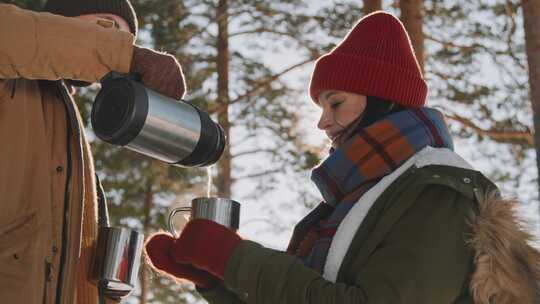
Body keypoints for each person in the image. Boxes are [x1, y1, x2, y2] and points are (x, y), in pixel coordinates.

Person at [145, 11, 540, 304]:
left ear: (383, 100)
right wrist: (218, 281)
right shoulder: (350, 203)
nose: (322, 122)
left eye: (336, 103)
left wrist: (234, 259)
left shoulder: (439, 193)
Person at [0, 1, 186, 303]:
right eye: (106, 27)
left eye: (126, 37)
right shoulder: (11, 67)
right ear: (61, 19)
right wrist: (124, 54)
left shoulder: (67, 130)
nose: (115, 40)